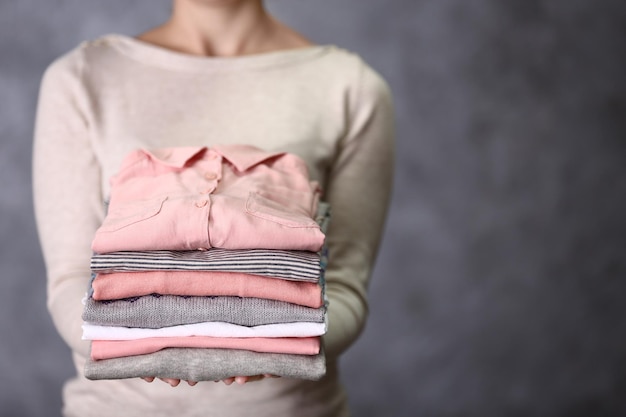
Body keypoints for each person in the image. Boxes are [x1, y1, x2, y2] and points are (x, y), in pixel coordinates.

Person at [32, 0, 394, 415]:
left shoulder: (349, 87)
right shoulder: (82, 78)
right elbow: (72, 279)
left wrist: (268, 348)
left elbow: (344, 286)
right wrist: (151, 347)